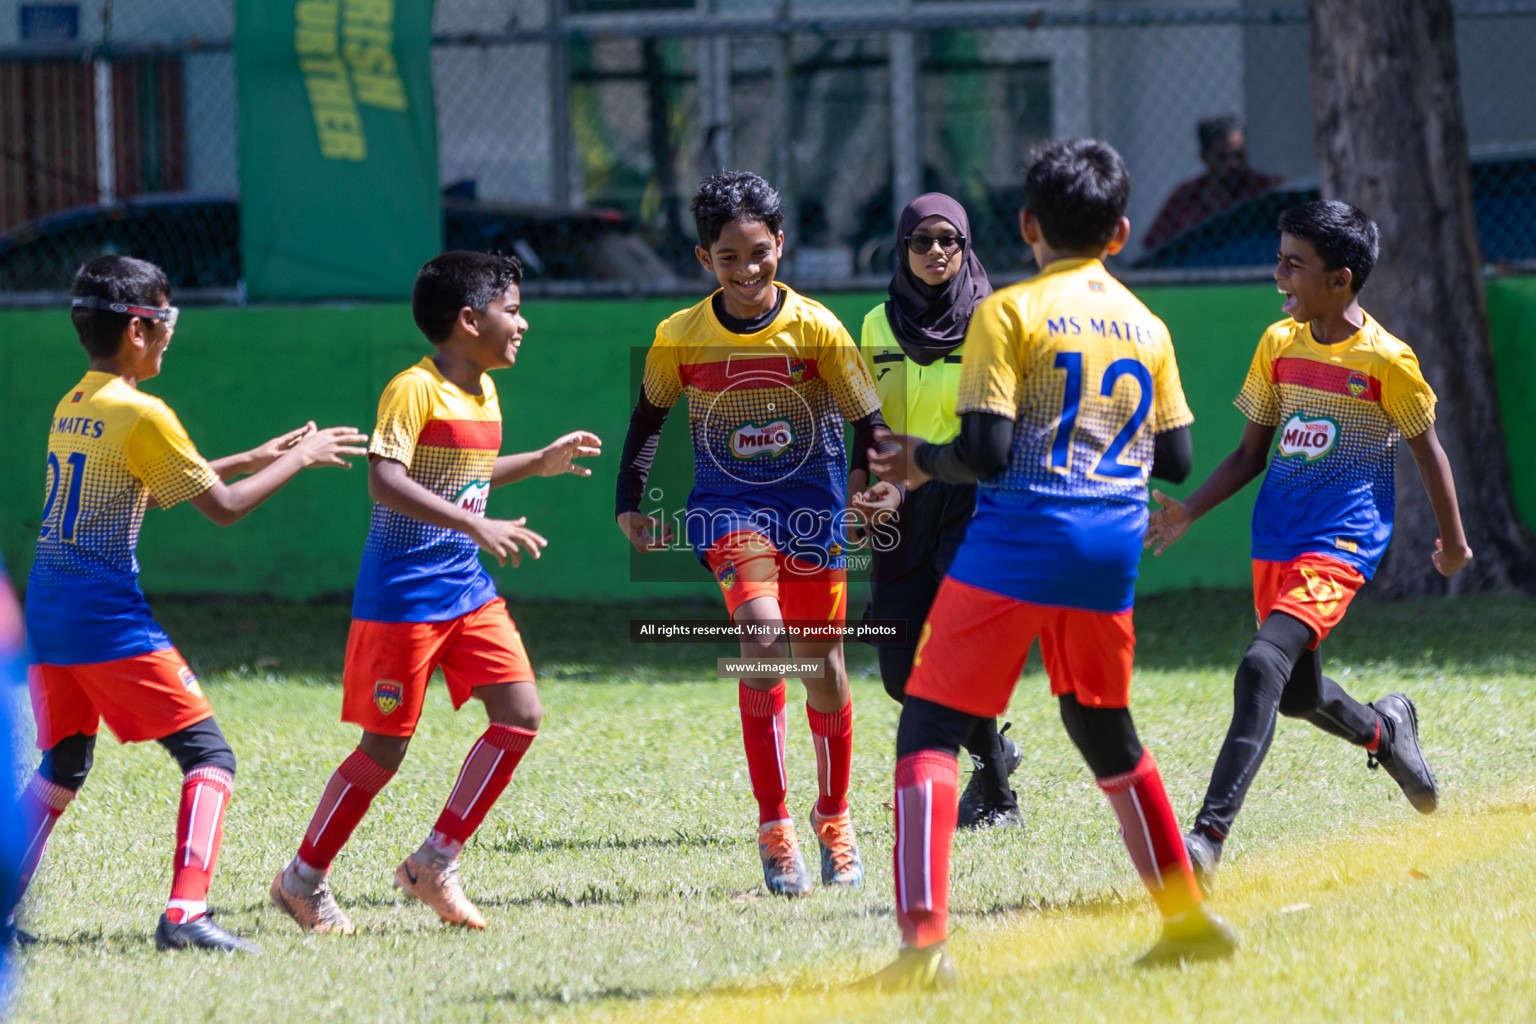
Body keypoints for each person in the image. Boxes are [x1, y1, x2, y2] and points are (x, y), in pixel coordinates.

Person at [862, 139, 1237, 989]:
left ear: (1028, 224)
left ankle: (922, 952)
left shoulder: (1009, 312)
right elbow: (1175, 458)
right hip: (1110, 547)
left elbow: (989, 449)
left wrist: (922, 460)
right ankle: (1186, 918)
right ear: (1123, 231)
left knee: (926, 724)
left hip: (1020, 538)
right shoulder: (1147, 323)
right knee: (1101, 727)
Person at [16, 255, 367, 953]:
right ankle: (184, 914)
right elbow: (225, 510)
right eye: (168, 319)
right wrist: (299, 457)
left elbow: (144, 481)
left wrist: (249, 455)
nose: (172, 335)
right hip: (104, 620)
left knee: (63, 765)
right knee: (210, 755)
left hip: (48, 615)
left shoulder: (76, 402)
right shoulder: (144, 411)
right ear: (141, 329)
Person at [270, 251, 601, 934]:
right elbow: (385, 479)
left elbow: (466, 476)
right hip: (403, 596)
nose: (524, 323)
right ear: (470, 318)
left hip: (467, 591)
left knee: (520, 714)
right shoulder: (412, 388)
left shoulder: (483, 388)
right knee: (383, 750)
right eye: (513, 309)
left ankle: (434, 861)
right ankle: (302, 880)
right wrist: (476, 523)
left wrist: (536, 465)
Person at [1144, 199, 1472, 890]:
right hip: (1277, 543)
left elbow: (1429, 453)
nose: (1279, 277)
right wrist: (1188, 513)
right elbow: (1247, 454)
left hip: (1341, 543)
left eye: (1295, 265)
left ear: (1341, 280)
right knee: (1298, 695)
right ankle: (1387, 733)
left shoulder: (1387, 361)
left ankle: (1205, 840)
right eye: (1279, 259)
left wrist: (1453, 541)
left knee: (1261, 667)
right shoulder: (1278, 344)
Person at [616, 171, 887, 897]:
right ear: (705, 260)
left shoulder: (817, 329)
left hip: (813, 512)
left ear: (781, 246)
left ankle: (834, 815)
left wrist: (876, 484)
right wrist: (630, 501)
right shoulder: (679, 336)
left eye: (759, 252)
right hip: (727, 512)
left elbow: (870, 424)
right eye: (728, 257)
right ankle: (776, 828)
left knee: (822, 670)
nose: (747, 269)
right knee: (764, 645)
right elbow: (647, 421)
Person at [849, 192, 1021, 829]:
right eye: (921, 241)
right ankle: (994, 747)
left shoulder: (994, 320)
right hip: (898, 500)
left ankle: (999, 796)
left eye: (949, 239)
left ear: (967, 244)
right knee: (899, 670)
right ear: (902, 248)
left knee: (959, 644)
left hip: (972, 495)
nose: (936, 252)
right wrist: (860, 486)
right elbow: (867, 420)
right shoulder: (873, 324)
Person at [1143, 113, 1283, 251]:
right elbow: (1153, 245)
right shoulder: (1185, 198)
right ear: (1205, 157)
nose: (1233, 164)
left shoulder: (1266, 190)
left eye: (1239, 155)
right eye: (1222, 157)